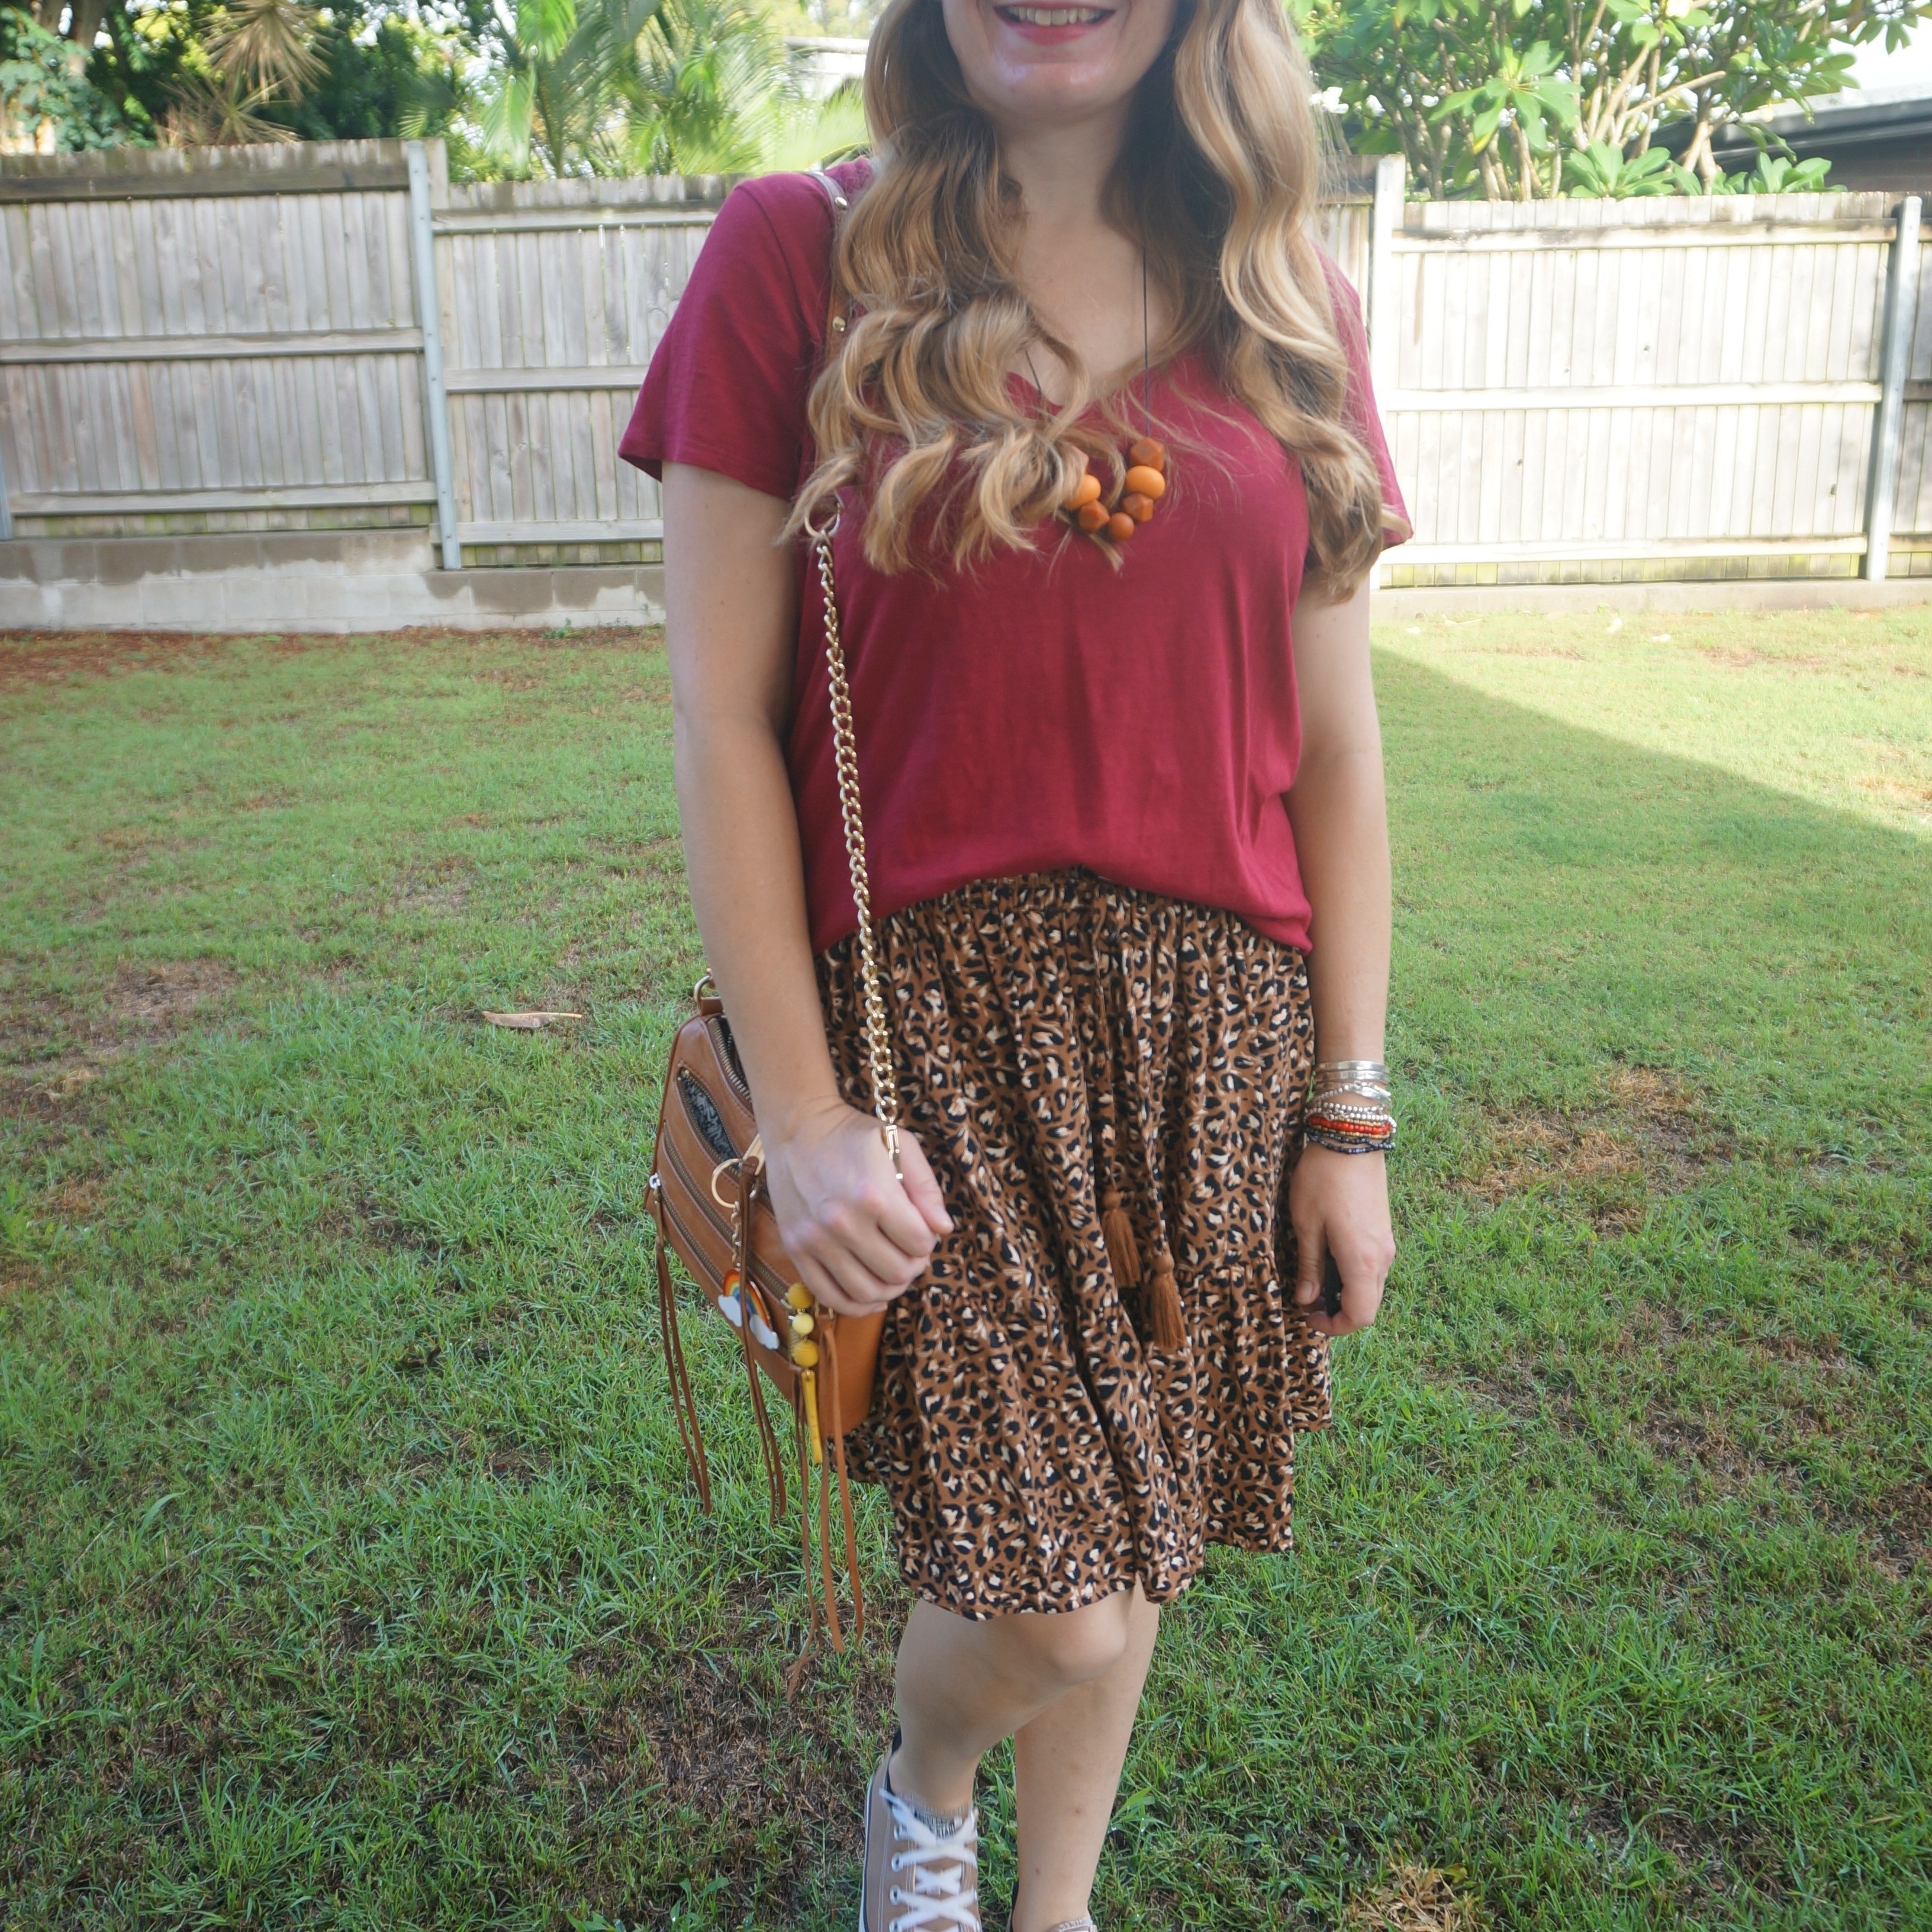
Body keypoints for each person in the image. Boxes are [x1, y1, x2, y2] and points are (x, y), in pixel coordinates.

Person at [621, 0, 1409, 1921]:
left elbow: (1337, 750)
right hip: (932, 1050)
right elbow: (722, 721)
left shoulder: (1285, 299)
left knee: (1131, 1528)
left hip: (1212, 1048)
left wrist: (1350, 1111)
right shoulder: (799, 253)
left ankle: (1044, 1908)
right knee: (1058, 1601)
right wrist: (806, 1118)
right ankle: (925, 1792)